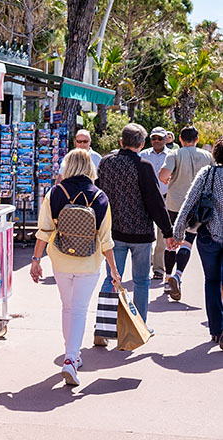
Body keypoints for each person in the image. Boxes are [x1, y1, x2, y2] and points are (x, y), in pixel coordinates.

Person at [31, 149, 121, 386]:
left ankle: (71, 354)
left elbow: (44, 230)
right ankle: (71, 358)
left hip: (60, 259)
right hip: (89, 262)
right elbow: (105, 239)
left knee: (67, 307)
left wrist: (36, 260)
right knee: (80, 309)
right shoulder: (100, 197)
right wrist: (114, 269)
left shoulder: (56, 193)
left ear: (67, 166)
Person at [93, 123, 177, 346]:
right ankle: (138, 326)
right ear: (142, 144)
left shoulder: (106, 163)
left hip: (113, 232)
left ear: (121, 142)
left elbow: (98, 193)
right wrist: (168, 231)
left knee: (112, 278)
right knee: (141, 281)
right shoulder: (143, 166)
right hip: (140, 234)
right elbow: (154, 201)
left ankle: (102, 328)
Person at [172, 137, 223, 348]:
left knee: (212, 281)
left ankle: (216, 330)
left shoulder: (208, 174)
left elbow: (189, 202)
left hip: (208, 235)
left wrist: (178, 232)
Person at [159, 126, 213, 300]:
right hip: (197, 205)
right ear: (197, 140)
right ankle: (178, 275)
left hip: (175, 203)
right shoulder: (207, 156)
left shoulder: (174, 154)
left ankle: (168, 278)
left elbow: (163, 175)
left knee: (171, 240)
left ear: (180, 140)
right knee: (187, 241)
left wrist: (168, 179)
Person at [140, 127, 171, 280]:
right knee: (146, 233)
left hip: (165, 199)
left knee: (161, 235)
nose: (157, 141)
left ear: (166, 139)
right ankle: (148, 262)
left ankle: (158, 269)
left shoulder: (172, 156)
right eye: (154, 138)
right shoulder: (143, 155)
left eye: (160, 138)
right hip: (145, 199)